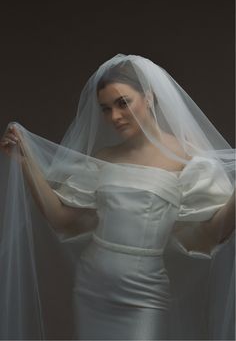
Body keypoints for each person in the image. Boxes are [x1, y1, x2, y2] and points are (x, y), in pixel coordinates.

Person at [0, 54, 235, 340]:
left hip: (144, 293)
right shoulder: (104, 159)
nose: (115, 116)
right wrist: (26, 163)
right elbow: (62, 221)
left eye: (124, 102)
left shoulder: (187, 159)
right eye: (106, 108)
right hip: (93, 286)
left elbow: (211, 236)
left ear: (148, 97)